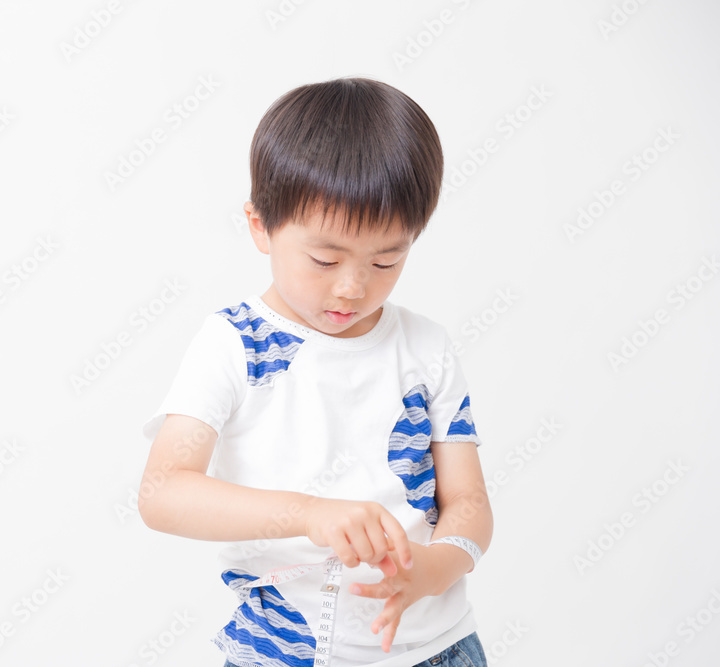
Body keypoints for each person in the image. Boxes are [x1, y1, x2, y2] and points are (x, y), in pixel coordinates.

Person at [138, 76, 493, 667]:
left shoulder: (426, 348)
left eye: (387, 260)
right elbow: (163, 492)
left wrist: (437, 566)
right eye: (325, 259)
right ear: (260, 226)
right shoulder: (234, 345)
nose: (353, 287)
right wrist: (310, 514)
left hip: (441, 649)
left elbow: (469, 502)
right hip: (287, 651)